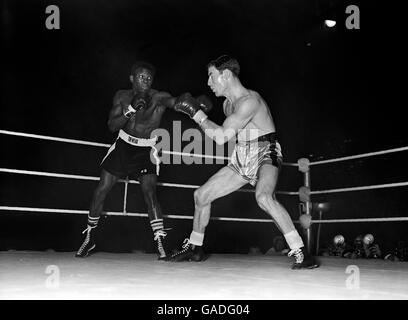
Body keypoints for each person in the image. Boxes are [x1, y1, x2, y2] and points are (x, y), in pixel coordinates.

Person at [167, 55, 319, 269]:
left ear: (226, 75)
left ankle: (302, 252)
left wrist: (196, 114)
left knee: (264, 197)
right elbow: (225, 134)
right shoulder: (229, 105)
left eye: (212, 76)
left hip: (266, 151)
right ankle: (195, 248)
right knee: (201, 195)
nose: (208, 83)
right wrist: (202, 117)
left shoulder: (250, 101)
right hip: (242, 156)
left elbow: (221, 137)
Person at [75, 61, 183, 260]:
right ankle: (89, 236)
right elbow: (111, 126)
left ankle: (160, 242)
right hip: (123, 147)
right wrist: (130, 110)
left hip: (146, 150)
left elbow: (174, 102)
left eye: (149, 78)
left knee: (150, 193)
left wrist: (192, 105)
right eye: (142, 77)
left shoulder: (158, 97)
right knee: (101, 189)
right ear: (132, 79)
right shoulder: (122, 96)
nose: (146, 81)